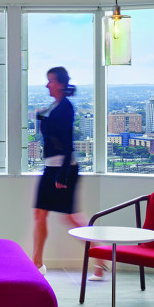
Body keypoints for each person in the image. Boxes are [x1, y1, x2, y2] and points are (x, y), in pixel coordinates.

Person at [31, 67, 108, 280]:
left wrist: (62, 175)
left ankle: (101, 260)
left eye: (51, 81)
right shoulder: (55, 106)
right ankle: (37, 263)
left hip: (63, 170)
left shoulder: (65, 108)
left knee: (72, 218)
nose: (47, 85)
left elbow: (67, 143)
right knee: (40, 214)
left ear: (61, 84)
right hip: (51, 168)